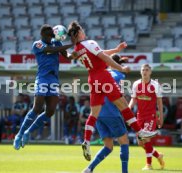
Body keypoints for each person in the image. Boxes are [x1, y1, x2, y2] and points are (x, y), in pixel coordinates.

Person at [67, 21, 157, 161]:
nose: (84, 32)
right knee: (123, 104)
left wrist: (116, 50)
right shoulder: (89, 43)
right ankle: (140, 132)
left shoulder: (77, 50)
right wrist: (121, 68)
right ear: (79, 33)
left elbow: (99, 53)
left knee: (94, 113)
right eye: (82, 30)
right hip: (103, 75)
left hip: (92, 78)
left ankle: (86, 141)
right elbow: (104, 58)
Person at [13, 24, 74, 150]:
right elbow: (49, 50)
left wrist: (76, 53)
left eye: (52, 35)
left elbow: (66, 56)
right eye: (48, 35)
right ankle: (19, 135)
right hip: (42, 79)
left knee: (50, 111)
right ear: (43, 35)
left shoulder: (56, 43)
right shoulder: (38, 44)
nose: (51, 37)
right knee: (37, 108)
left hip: (53, 80)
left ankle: (28, 132)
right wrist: (70, 45)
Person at [82, 54, 129, 173]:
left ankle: (89, 169)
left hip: (98, 114)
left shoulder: (100, 73)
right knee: (124, 142)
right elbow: (120, 95)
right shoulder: (120, 75)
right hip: (112, 113)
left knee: (108, 146)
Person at [129, 64, 165, 170]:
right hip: (140, 116)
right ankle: (158, 155)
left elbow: (159, 103)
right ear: (140, 72)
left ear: (150, 72)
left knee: (146, 139)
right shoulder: (136, 84)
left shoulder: (155, 85)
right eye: (143, 70)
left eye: (147, 70)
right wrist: (129, 108)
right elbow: (134, 98)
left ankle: (149, 164)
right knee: (140, 143)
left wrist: (160, 118)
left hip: (151, 116)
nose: (144, 71)